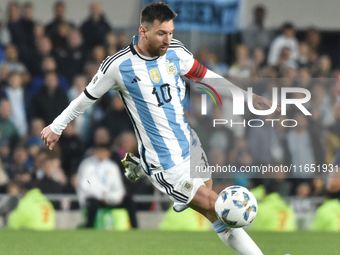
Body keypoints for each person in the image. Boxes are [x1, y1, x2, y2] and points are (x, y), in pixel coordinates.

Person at [41, 2, 277, 254]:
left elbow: (207, 77)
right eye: (161, 33)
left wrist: (246, 97)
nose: (168, 39)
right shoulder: (118, 66)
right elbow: (85, 98)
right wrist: (57, 125)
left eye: (171, 32)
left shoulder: (175, 51)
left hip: (189, 143)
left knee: (214, 212)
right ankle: (151, 169)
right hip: (166, 163)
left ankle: (148, 172)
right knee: (217, 204)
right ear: (143, 31)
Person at [76, 142, 137, 228]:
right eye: (99, 151)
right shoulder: (87, 165)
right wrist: (102, 196)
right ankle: (89, 227)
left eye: (104, 151)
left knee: (129, 201)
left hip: (110, 198)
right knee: (93, 204)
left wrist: (113, 197)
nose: (101, 154)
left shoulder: (112, 167)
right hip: (95, 198)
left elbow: (119, 187)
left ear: (108, 153)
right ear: (95, 152)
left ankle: (135, 228)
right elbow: (85, 186)